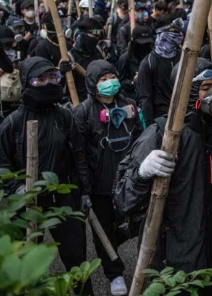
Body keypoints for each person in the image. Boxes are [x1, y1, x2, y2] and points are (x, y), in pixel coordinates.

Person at [114, 58, 212, 296]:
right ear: (187, 92)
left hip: (205, 249)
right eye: (205, 88)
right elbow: (123, 201)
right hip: (168, 258)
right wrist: (142, 173)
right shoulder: (160, 134)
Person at [0, 57, 93, 295]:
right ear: (27, 83)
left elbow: (79, 155)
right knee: (27, 266)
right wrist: (17, 191)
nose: (49, 83)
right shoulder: (12, 123)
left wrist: (84, 191)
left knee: (77, 261)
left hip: (64, 199)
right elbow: (2, 165)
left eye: (53, 77)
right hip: (28, 204)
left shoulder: (64, 117)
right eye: (41, 79)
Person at [74, 60, 142, 296]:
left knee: (132, 224)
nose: (109, 83)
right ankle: (114, 273)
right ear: (93, 84)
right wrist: (85, 188)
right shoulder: (83, 112)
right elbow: (79, 154)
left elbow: (141, 139)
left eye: (111, 77)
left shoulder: (130, 105)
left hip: (129, 182)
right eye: (103, 80)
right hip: (100, 185)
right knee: (102, 230)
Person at [137, 15, 183, 126]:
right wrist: (151, 127)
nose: (176, 35)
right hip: (161, 121)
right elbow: (145, 99)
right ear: (161, 34)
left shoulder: (183, 57)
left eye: (177, 31)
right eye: (171, 32)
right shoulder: (148, 63)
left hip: (184, 117)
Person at [68, 17, 106, 103]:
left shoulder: (99, 52)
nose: (96, 39)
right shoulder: (70, 57)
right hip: (80, 104)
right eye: (94, 36)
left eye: (98, 37)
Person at [116, 25, 154, 102]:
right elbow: (120, 81)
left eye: (147, 43)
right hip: (133, 98)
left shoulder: (152, 57)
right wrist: (133, 81)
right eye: (141, 43)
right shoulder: (125, 59)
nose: (144, 46)